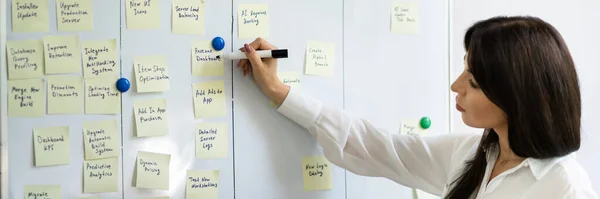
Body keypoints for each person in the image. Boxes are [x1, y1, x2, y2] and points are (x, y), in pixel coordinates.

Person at [236, 16, 597, 199]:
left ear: (515, 96)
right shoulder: (474, 155)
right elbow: (375, 147)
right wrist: (281, 93)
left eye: (472, 81)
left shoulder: (563, 187)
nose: (455, 86)